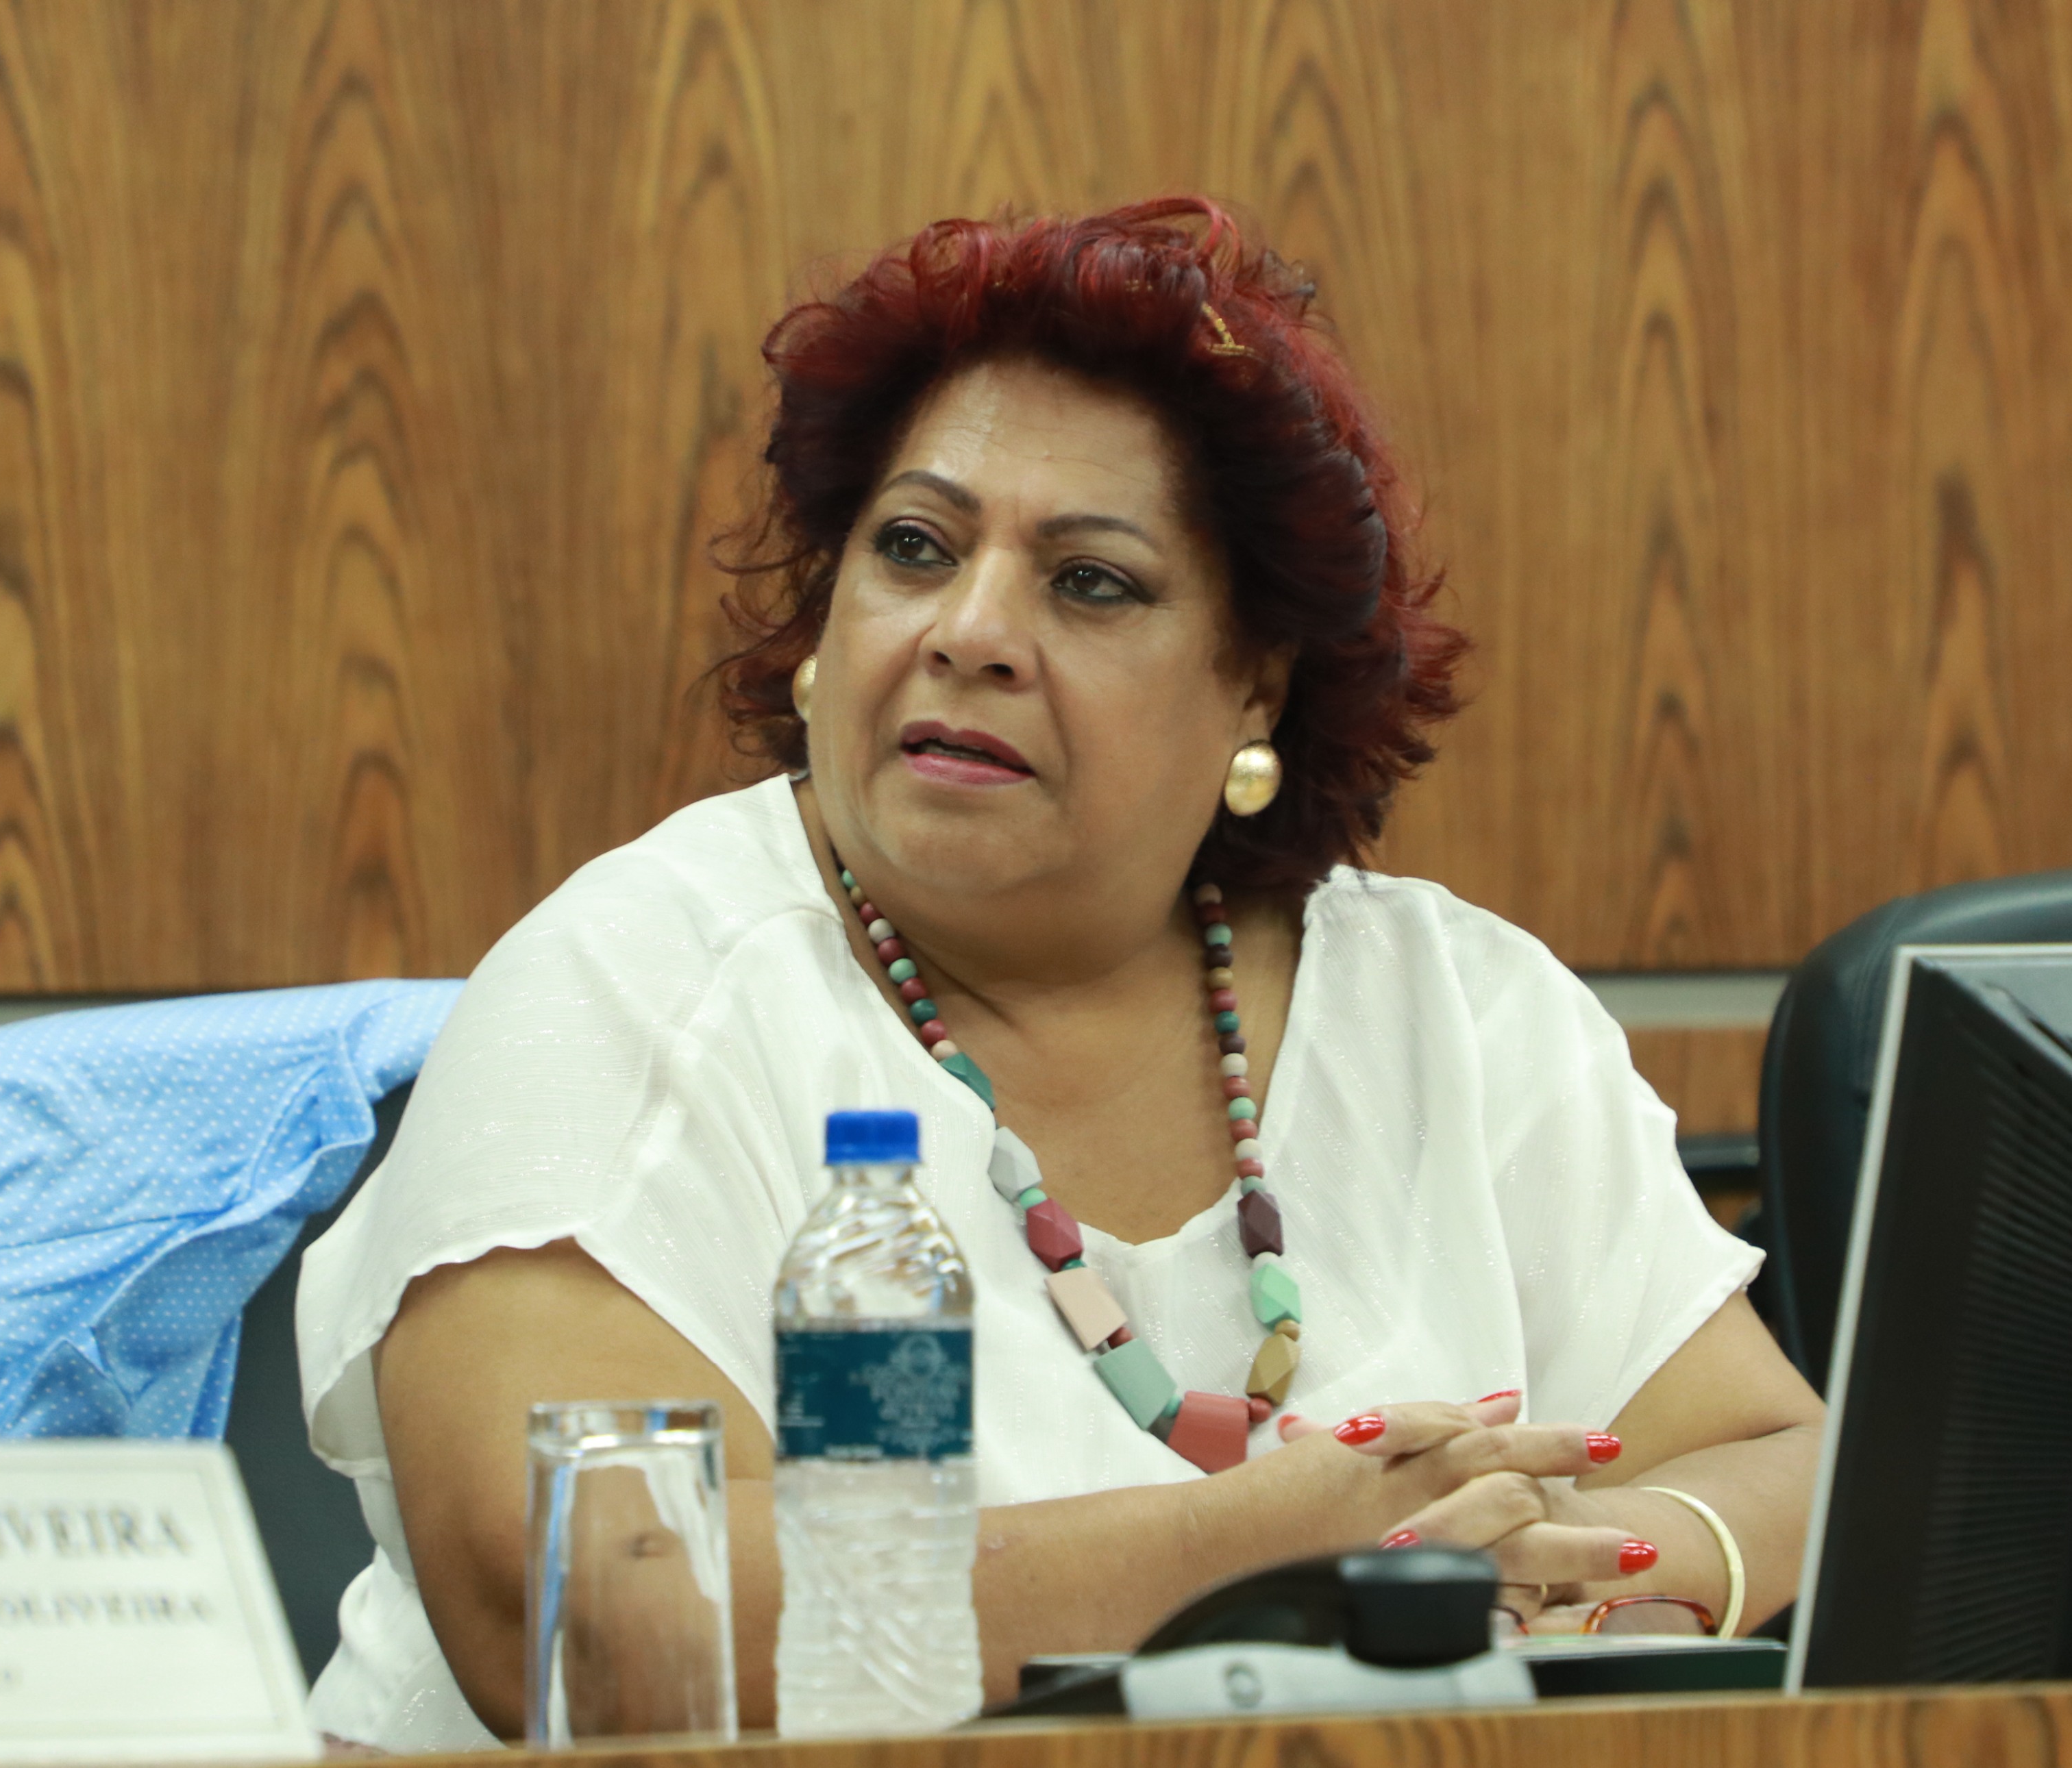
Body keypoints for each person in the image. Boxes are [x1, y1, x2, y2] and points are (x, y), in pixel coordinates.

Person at [294, 197, 1823, 1750]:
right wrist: (1271, 1562)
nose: (970, 631)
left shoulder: (1451, 1006)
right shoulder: (630, 985)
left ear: (1256, 687)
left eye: (1090, 580)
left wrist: (1603, 1581)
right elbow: (586, 1598)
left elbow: (1784, 1455)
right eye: (913, 548)